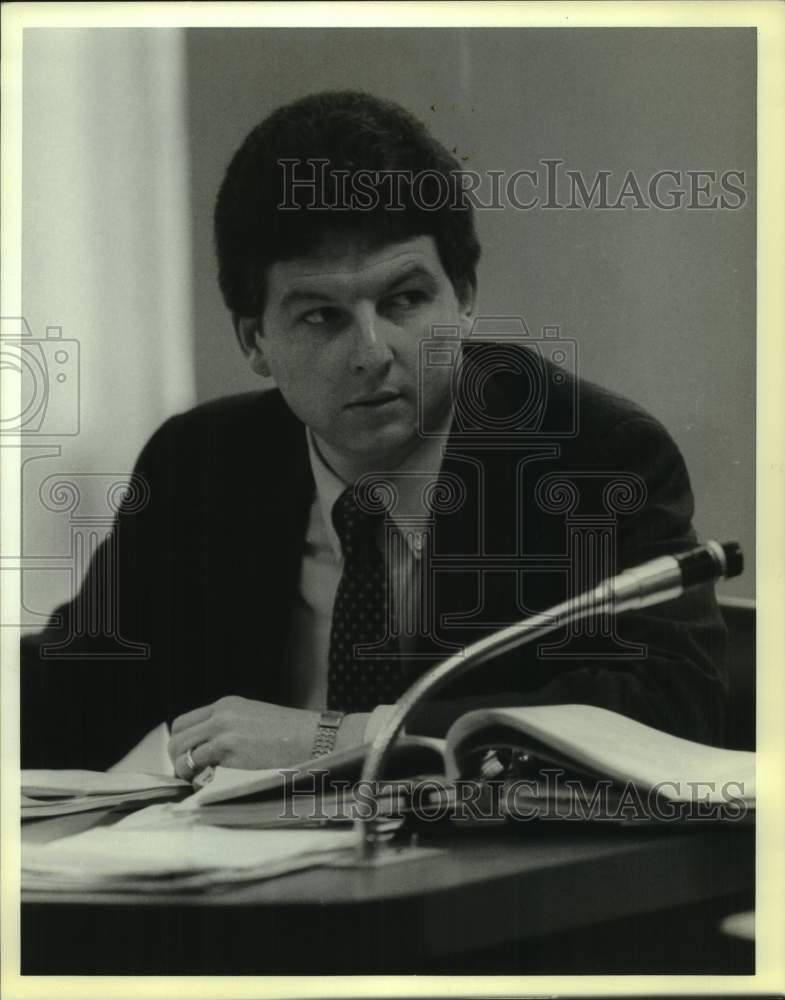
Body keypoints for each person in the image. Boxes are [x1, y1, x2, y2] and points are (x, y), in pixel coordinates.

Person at [20, 91, 728, 777]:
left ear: (466, 297)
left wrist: (347, 737)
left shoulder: (593, 456)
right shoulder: (202, 464)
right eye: (321, 316)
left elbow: (671, 711)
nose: (371, 351)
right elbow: (66, 695)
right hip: (245, 873)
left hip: (484, 882)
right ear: (254, 342)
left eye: (404, 300)